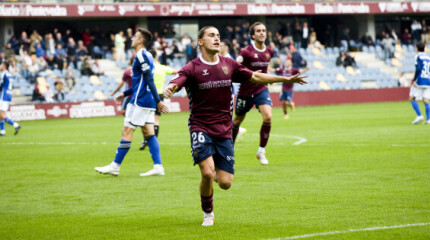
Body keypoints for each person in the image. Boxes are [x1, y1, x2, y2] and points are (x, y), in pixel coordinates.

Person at [163, 26, 307, 226]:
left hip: (224, 129)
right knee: (206, 173)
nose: (216, 39)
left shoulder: (229, 65)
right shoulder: (192, 67)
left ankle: (215, 173)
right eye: (211, 35)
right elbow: (178, 79)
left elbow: (256, 76)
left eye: (218, 35)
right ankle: (208, 213)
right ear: (200, 41)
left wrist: (285, 79)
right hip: (200, 126)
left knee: (225, 183)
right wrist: (171, 87)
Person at [95, 28, 169, 176]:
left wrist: (158, 101)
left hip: (140, 101)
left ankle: (115, 166)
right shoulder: (147, 55)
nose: (132, 39)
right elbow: (139, 82)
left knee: (127, 131)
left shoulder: (141, 55)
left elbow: (149, 80)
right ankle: (158, 166)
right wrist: (124, 93)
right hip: (145, 99)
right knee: (148, 132)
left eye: (135, 37)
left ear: (140, 40)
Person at [232, 22, 274, 165]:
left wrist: (269, 78)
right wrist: (249, 74)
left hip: (261, 89)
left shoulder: (269, 51)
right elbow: (235, 69)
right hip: (245, 91)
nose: (262, 33)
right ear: (252, 35)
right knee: (237, 121)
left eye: (264, 30)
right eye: (258, 31)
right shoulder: (246, 52)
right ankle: (229, 151)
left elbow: (266, 69)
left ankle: (261, 151)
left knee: (268, 116)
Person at [139, 50, 178, 152]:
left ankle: (146, 140)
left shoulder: (146, 67)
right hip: (159, 96)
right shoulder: (162, 68)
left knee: (144, 120)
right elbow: (177, 71)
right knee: (156, 120)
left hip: (147, 95)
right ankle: (153, 142)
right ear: (156, 57)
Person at [410, 42, 430, 125]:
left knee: (412, 98)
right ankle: (428, 119)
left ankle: (419, 115)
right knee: (425, 100)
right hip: (428, 80)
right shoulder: (428, 57)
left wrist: (414, 79)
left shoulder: (418, 56)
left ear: (417, 48)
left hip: (420, 80)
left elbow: (418, 68)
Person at [0, 61, 21, 136]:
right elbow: (12, 86)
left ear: (4, 66)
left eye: (1, 65)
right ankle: (2, 131)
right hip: (9, 95)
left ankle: (15, 124)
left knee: (1, 114)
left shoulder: (4, 74)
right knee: (1, 113)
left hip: (3, 95)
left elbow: (1, 86)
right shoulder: (9, 75)